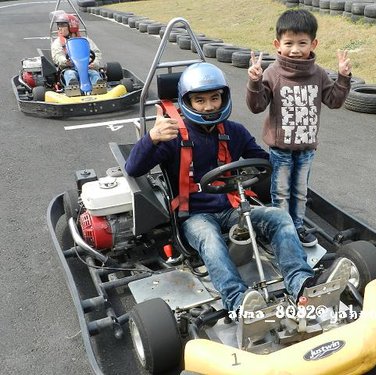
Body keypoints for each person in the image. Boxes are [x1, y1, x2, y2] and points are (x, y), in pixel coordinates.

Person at [125, 62, 337, 320]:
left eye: (215, 98)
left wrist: (261, 169)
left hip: (233, 207)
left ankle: (301, 283)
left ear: (223, 97)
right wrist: (152, 138)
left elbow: (261, 163)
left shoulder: (234, 131)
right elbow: (133, 167)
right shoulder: (172, 136)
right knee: (210, 240)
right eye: (200, 100)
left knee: (280, 218)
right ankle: (238, 302)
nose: (209, 106)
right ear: (186, 101)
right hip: (194, 216)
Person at [246, 9, 352, 247]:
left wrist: (343, 78)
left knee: (300, 193)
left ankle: (298, 226)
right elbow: (256, 106)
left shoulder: (318, 73)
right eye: (289, 43)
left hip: (306, 148)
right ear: (277, 44)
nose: (295, 49)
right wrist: (254, 81)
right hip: (280, 149)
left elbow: (334, 101)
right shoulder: (272, 74)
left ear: (313, 43)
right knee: (281, 193)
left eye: (302, 43)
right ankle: (281, 231)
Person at [51, 12, 103, 87]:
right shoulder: (58, 42)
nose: (59, 28)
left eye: (62, 25)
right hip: (69, 68)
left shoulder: (85, 41)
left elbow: (96, 53)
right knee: (70, 75)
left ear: (71, 26)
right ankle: (73, 88)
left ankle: (98, 87)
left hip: (87, 67)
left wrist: (94, 63)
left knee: (94, 74)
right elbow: (57, 55)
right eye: (58, 25)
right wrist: (64, 61)